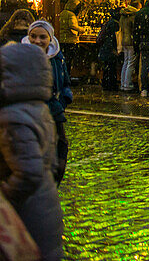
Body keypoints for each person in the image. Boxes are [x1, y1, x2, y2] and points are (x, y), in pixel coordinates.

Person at [0, 42, 63, 261]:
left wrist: (6, 196)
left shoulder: (13, 117)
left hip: (27, 215)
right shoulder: (38, 109)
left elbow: (29, 172)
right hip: (46, 206)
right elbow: (50, 161)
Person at [23, 20, 72, 183]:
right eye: (33, 36)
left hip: (53, 111)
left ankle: (51, 185)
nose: (37, 41)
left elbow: (65, 81)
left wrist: (64, 100)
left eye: (42, 37)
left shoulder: (57, 57)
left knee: (60, 149)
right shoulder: (20, 56)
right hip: (29, 113)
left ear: (50, 39)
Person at [95, 9, 121, 90]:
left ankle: (106, 84)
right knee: (111, 67)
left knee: (107, 67)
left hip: (105, 48)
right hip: (109, 49)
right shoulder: (115, 24)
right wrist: (114, 50)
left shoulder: (109, 22)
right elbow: (112, 38)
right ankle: (111, 85)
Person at [117, 5, 137, 92]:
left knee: (126, 62)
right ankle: (128, 84)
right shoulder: (132, 17)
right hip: (131, 41)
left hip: (124, 41)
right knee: (131, 63)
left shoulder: (122, 17)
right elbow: (134, 29)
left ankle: (123, 83)